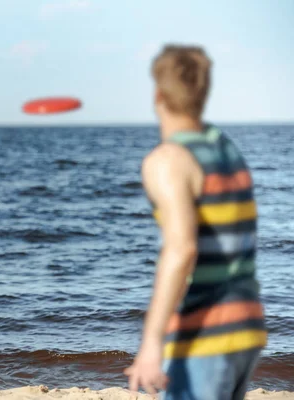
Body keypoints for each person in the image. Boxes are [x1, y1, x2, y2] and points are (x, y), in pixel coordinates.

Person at [124, 45, 267, 399]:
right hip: (246, 328)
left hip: (206, 335)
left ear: (158, 94)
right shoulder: (226, 149)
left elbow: (182, 248)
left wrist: (151, 342)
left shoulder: (168, 159)